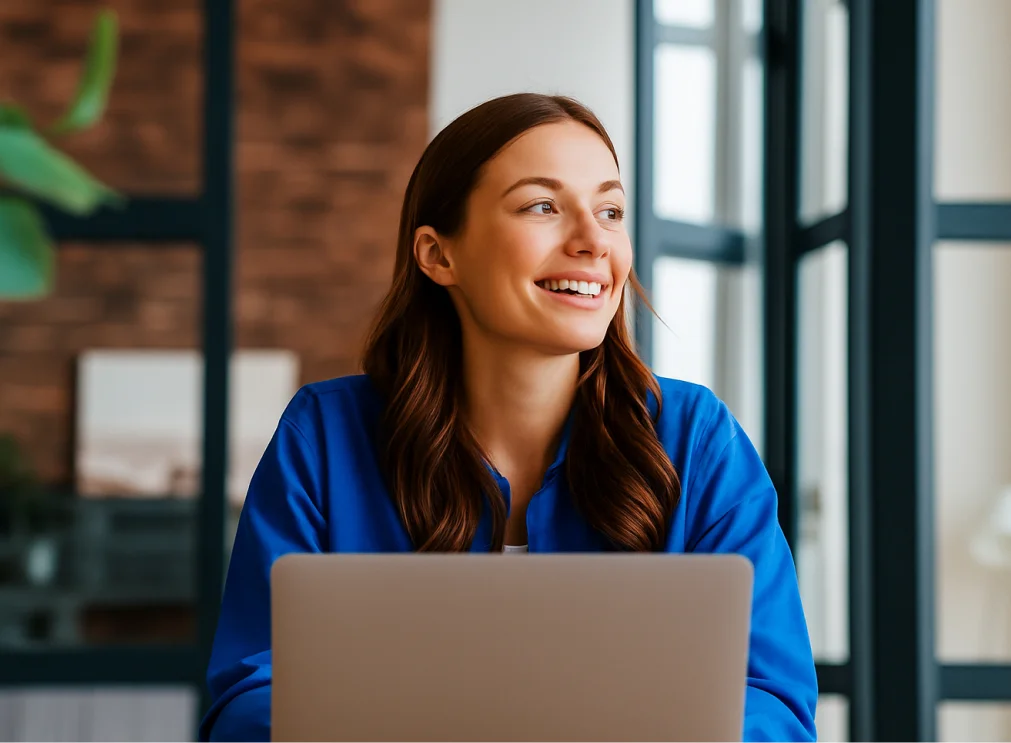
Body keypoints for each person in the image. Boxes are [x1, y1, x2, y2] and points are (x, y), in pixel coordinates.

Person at [198, 92, 818, 742]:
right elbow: (248, 697)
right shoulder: (323, 437)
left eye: (610, 210)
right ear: (439, 255)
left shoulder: (694, 439)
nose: (592, 240)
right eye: (542, 206)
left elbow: (773, 704)